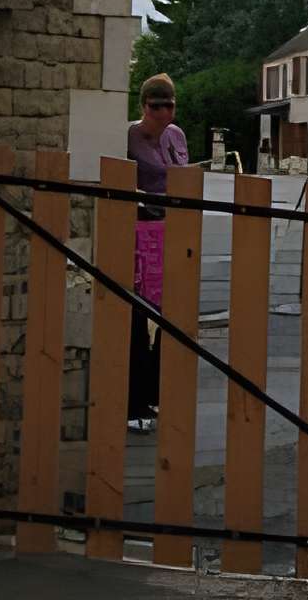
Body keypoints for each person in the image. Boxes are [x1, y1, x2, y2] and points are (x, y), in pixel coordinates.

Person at [126, 72, 188, 432]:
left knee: (172, 313)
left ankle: (155, 391)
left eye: (169, 105)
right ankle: (135, 397)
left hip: (174, 229)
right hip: (139, 230)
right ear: (143, 106)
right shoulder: (129, 136)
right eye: (156, 105)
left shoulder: (176, 136)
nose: (163, 112)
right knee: (137, 313)